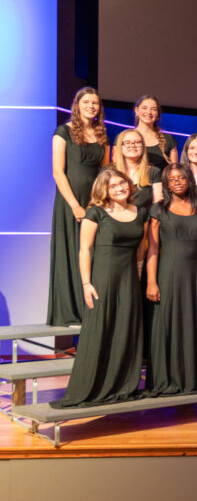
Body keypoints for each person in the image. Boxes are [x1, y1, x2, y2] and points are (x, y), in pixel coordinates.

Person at [52, 169, 147, 408]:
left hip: (129, 279)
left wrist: (138, 275)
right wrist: (86, 283)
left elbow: (141, 250)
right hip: (103, 279)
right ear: (104, 189)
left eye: (122, 183)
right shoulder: (95, 212)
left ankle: (122, 384)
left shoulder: (140, 212)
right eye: (113, 185)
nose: (119, 188)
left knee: (126, 330)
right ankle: (92, 386)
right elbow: (85, 249)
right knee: (100, 330)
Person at [144, 163, 197, 396]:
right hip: (168, 273)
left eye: (181, 178)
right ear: (166, 184)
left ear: (189, 180)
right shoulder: (158, 209)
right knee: (167, 325)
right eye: (172, 179)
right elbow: (152, 250)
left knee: (192, 324)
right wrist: (151, 282)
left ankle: (192, 378)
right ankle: (166, 379)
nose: (177, 182)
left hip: (195, 274)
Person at [48, 87, 109, 327]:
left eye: (95, 103)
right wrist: (74, 205)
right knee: (72, 252)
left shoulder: (102, 135)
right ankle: (70, 312)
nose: (91, 106)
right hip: (70, 202)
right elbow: (57, 172)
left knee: (92, 254)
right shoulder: (63, 132)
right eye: (87, 102)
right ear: (77, 105)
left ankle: (90, 309)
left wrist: (98, 202)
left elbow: (105, 172)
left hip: (95, 202)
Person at [111, 129, 162, 210]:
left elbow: (158, 205)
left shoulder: (154, 172)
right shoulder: (109, 171)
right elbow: (100, 200)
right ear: (120, 146)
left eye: (137, 142)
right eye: (127, 142)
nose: (133, 145)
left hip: (143, 221)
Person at [133, 95, 177, 171]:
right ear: (136, 110)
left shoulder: (168, 139)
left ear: (158, 114)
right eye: (144, 108)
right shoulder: (124, 137)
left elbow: (174, 170)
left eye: (153, 109)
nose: (149, 112)